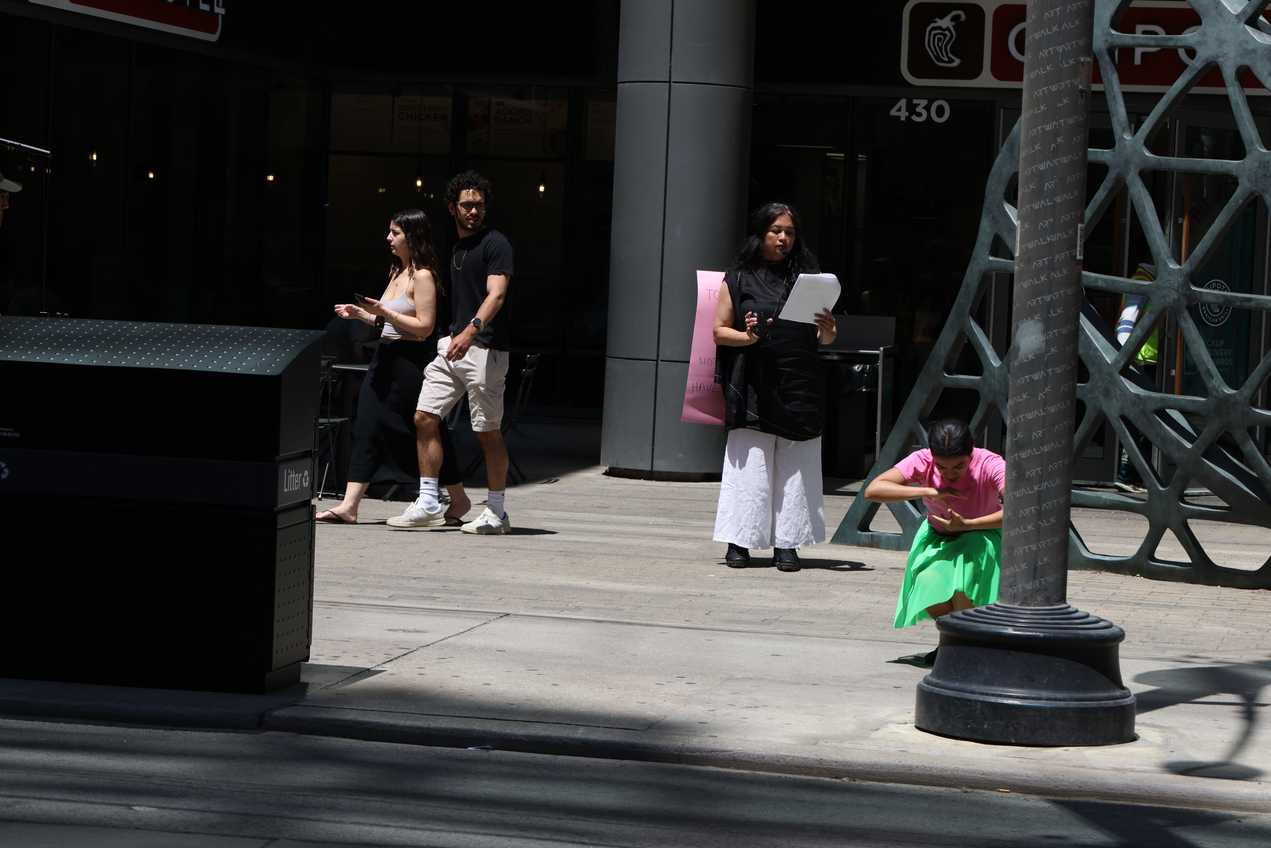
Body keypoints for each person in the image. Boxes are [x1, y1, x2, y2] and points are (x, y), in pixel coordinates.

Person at [316, 209, 471, 526]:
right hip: (384, 357)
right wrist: (360, 314)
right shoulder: (397, 272)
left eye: (395, 233)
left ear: (411, 237)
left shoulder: (423, 276)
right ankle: (349, 505)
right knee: (368, 428)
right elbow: (387, 321)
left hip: (407, 362)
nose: (388, 238)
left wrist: (385, 309)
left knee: (428, 429)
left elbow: (424, 328)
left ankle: (459, 498)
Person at [711, 201, 838, 572]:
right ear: (761, 234)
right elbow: (719, 331)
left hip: (799, 378)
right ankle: (740, 541)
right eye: (776, 231)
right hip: (754, 379)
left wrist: (829, 330)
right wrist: (746, 337)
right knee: (750, 464)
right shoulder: (737, 277)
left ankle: (788, 543)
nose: (784, 238)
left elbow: (825, 338)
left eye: (791, 232)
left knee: (795, 463)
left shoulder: (810, 278)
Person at [389, 171, 514, 534]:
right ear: (451, 208)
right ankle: (429, 500)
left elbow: (497, 295)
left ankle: (497, 512)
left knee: (488, 431)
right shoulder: (459, 248)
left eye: (479, 204)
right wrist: (454, 337)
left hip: (484, 349)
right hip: (453, 347)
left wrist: (471, 331)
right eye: (466, 205)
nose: (474, 211)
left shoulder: (496, 244)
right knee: (424, 417)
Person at [863, 419, 1005, 652]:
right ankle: (956, 641)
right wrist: (931, 491)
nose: (950, 474)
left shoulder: (990, 463)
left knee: (962, 586)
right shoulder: (923, 460)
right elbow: (873, 490)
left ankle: (960, 645)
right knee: (927, 583)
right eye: (942, 468)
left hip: (982, 534)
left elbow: (1021, 509)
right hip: (938, 536)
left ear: (971, 452)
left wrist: (969, 524)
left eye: (958, 467)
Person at [1114, 245, 1158, 494]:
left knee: (1143, 421)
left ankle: (1135, 476)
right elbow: (1126, 323)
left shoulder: (1148, 281)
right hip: (1139, 361)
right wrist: (1125, 360)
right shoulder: (1142, 281)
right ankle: (1128, 475)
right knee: (1139, 421)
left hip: (1143, 361)